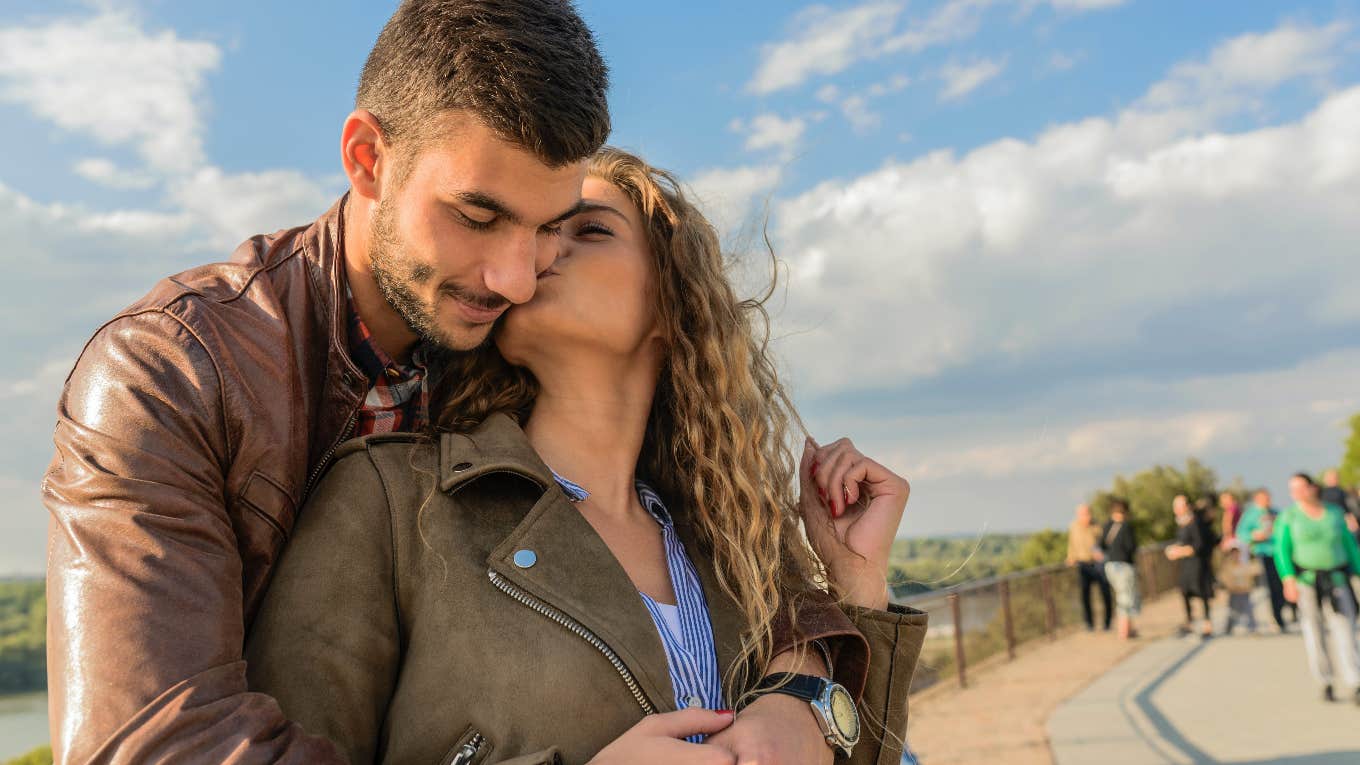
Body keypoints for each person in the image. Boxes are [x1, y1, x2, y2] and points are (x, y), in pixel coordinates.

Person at [40, 2, 862, 761]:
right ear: (368, 158)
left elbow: (736, 547)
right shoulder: (171, 372)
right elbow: (154, 745)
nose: (515, 276)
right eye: (477, 217)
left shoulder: (496, 342)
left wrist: (804, 687)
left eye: (549, 225)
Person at [245, 148, 927, 763]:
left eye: (588, 229)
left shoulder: (733, 549)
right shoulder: (390, 500)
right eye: (539, 232)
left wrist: (856, 584)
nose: (539, 252)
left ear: (673, 305)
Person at [1275, 472, 1360, 704]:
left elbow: (1349, 545)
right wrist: (1288, 579)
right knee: (1314, 630)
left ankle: (1354, 679)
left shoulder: (1333, 513)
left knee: (1345, 626)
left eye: (1301, 488)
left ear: (1313, 488)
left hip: (1336, 577)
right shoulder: (1289, 517)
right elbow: (1281, 550)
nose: (1297, 494)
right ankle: (1325, 680)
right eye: (1293, 490)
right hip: (1307, 580)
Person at [1237, 489, 1292, 631]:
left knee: (1281, 585)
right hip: (1262, 553)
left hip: (1278, 553)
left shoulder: (1276, 512)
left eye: (1268, 498)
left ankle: (1284, 613)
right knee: (1269, 587)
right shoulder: (1250, 514)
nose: (1267, 501)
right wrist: (1254, 536)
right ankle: (1275, 618)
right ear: (1257, 499)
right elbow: (1241, 533)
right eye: (1263, 498)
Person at [1166, 495, 1216, 639]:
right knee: (1185, 591)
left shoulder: (1195, 522)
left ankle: (1207, 624)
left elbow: (1199, 545)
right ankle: (1190, 623)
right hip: (1186, 564)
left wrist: (1179, 551)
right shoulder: (1182, 523)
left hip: (1198, 564)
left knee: (1202, 592)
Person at [1066, 504, 1113, 631]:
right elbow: (1071, 544)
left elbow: (1105, 543)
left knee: (1105, 593)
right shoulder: (1073, 527)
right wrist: (1071, 557)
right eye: (1082, 514)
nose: (1085, 516)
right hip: (1083, 564)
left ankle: (1108, 622)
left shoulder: (1097, 526)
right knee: (1085, 595)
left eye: (1086, 513)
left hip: (1098, 564)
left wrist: (1102, 554)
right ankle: (1089, 624)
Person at [1099, 498, 1140, 639]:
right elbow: (1132, 547)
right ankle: (1124, 631)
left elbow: (1101, 545)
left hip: (1110, 566)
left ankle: (1126, 629)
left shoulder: (1107, 525)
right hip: (1124, 565)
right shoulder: (1126, 527)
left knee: (1120, 595)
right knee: (1126, 597)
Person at [1219, 539, 1258, 635]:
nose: (1235, 556)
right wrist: (1230, 587)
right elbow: (1224, 578)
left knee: (1248, 610)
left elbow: (1253, 572)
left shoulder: (1245, 564)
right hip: (1234, 592)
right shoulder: (1227, 566)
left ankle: (1252, 628)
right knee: (1232, 612)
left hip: (1245, 591)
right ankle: (1228, 628)